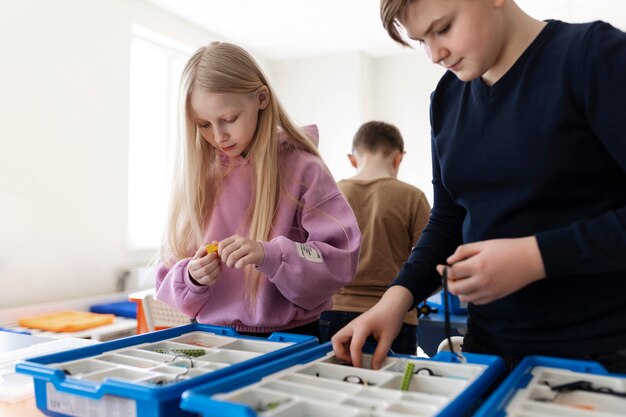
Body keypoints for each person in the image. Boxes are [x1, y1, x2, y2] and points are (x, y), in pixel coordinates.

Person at [332, 0, 626, 373]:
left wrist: (534, 258)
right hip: (488, 350)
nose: (435, 54)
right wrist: (395, 299)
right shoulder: (446, 99)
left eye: (443, 28)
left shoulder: (594, 56)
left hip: (601, 355)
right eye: (421, 40)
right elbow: (446, 221)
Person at [155, 42, 361, 338]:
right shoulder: (199, 174)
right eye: (203, 124)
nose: (218, 136)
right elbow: (169, 270)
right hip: (209, 340)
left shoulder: (304, 169)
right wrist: (191, 277)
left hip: (291, 339)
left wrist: (271, 254)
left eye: (229, 119)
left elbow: (338, 259)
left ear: (261, 98)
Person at [319, 121, 431, 354]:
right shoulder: (412, 197)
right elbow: (432, 264)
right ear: (399, 158)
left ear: (352, 159)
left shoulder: (332, 194)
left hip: (333, 313)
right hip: (395, 317)